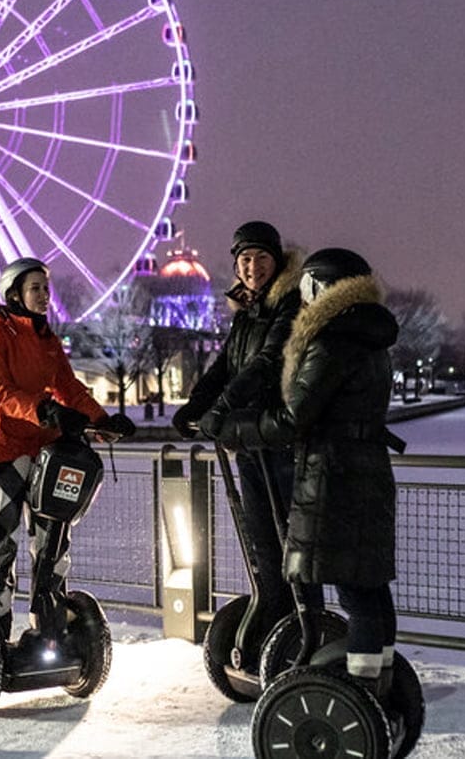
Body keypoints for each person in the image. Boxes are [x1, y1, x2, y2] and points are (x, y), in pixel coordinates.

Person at [214, 247, 405, 693]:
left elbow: (294, 417)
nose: (301, 299)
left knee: (355, 593)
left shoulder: (333, 339)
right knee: (371, 587)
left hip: (334, 474)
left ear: (321, 287)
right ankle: (382, 678)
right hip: (368, 468)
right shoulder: (371, 336)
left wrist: (235, 427)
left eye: (306, 289)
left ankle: (359, 691)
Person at [0, 256, 136, 640]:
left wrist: (101, 420)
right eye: (35, 289)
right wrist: (42, 410)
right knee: (3, 541)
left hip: (46, 450)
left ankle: (51, 621)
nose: (45, 296)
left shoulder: (47, 339)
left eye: (46, 288)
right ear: (14, 294)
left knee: (53, 541)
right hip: (3, 450)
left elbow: (70, 387)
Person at [172, 220, 310, 643]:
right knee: (261, 542)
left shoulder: (289, 304)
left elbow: (269, 361)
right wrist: (195, 405)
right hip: (248, 440)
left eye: (261, 257)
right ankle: (273, 619)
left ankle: (306, 624)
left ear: (277, 260)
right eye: (245, 259)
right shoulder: (247, 311)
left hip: (279, 439)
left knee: (291, 541)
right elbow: (226, 365)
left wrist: (224, 406)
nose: (252, 267)